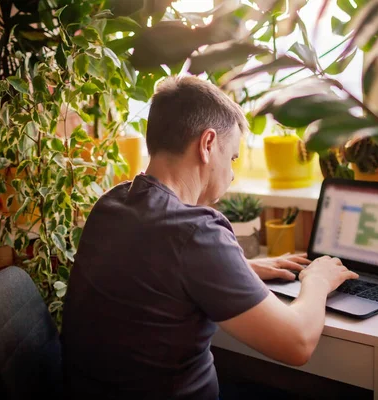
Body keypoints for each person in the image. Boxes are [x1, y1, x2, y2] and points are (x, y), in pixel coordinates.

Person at [61, 76, 359, 400]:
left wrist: (241, 267)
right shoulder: (195, 232)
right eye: (231, 157)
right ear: (207, 145)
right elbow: (298, 343)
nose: (232, 174)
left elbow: (155, 270)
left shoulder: (112, 203)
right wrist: (317, 279)